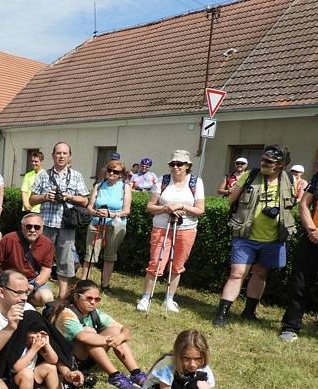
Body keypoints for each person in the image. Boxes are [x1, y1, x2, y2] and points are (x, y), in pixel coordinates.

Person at [214, 145, 297, 326]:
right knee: (237, 274)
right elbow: (231, 200)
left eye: (269, 161)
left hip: (273, 238)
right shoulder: (250, 175)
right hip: (245, 235)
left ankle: (249, 312)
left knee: (260, 273)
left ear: (281, 165)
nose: (263, 163)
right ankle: (222, 314)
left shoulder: (290, 179)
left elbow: (292, 204)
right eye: (262, 159)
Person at [135, 150, 205, 313]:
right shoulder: (162, 180)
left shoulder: (196, 182)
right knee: (155, 263)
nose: (175, 167)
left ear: (188, 166)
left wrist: (181, 206)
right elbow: (150, 207)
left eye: (179, 164)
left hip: (186, 229)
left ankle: (169, 299)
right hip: (161, 227)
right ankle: (146, 297)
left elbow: (200, 210)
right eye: (172, 164)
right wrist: (167, 208)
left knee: (177, 264)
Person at [50, 279, 146, 389]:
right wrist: (112, 341)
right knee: (89, 331)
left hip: (88, 356)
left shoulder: (94, 313)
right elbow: (83, 337)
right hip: (72, 361)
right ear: (76, 297)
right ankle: (114, 376)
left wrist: (119, 338)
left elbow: (125, 330)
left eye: (97, 299)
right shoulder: (67, 313)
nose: (93, 302)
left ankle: (136, 374)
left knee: (115, 331)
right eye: (89, 298)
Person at [28, 141, 89, 297]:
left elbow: (85, 200)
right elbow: (31, 199)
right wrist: (45, 197)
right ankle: (38, 291)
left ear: (69, 156)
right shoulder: (43, 175)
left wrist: (70, 197)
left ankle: (61, 297)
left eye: (64, 153)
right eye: (58, 153)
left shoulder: (76, 176)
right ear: (53, 155)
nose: (61, 156)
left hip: (66, 224)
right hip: (46, 224)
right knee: (39, 259)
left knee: (65, 262)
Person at [11, 310, 78, 389]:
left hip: (31, 379)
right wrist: (33, 350)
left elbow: (54, 360)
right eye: (33, 332)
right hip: (16, 381)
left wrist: (47, 345)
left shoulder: (37, 344)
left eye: (39, 332)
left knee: (50, 367)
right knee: (26, 373)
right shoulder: (18, 344)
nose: (37, 336)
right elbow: (16, 367)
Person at [279, 168, 318, 341]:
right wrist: (312, 230)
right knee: (299, 283)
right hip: (312, 238)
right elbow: (303, 204)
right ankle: (291, 326)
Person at [82, 159, 131, 291]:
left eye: (116, 171)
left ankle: (105, 285)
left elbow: (126, 211)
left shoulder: (125, 187)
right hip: (96, 223)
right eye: (109, 170)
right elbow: (89, 207)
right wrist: (96, 212)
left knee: (110, 256)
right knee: (90, 255)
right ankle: (84, 284)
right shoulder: (99, 185)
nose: (112, 173)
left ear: (121, 174)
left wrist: (110, 214)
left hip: (115, 225)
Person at [0, 212, 54, 306]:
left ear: (42, 228)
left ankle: (28, 303)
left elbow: (46, 269)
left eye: (37, 227)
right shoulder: (9, 239)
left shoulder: (48, 244)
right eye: (29, 226)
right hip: (9, 280)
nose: (32, 230)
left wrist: (34, 285)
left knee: (47, 297)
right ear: (22, 227)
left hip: (31, 282)